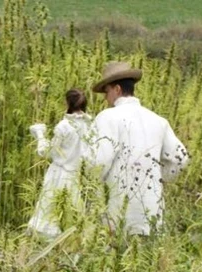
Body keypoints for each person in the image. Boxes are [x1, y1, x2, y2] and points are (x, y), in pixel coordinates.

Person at [91, 61, 189, 236]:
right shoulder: (158, 120)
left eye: (106, 92)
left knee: (114, 259)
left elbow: (99, 162)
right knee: (146, 258)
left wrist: (92, 195)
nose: (106, 98)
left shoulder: (107, 118)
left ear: (117, 90)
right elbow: (179, 158)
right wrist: (158, 179)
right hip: (152, 209)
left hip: (116, 208)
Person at [28, 89, 93, 239]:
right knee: (73, 214)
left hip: (59, 174)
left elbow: (48, 152)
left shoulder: (64, 126)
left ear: (67, 103)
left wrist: (40, 135)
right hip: (77, 175)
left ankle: (49, 248)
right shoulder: (89, 124)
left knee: (49, 213)